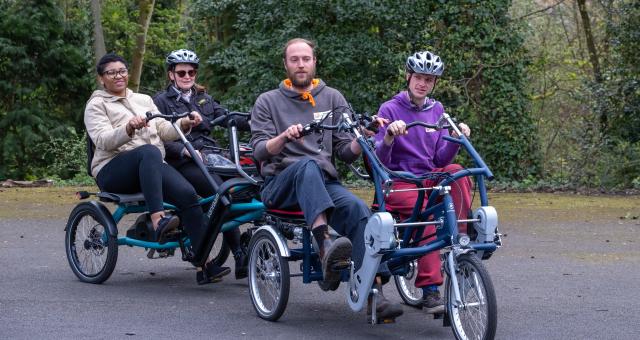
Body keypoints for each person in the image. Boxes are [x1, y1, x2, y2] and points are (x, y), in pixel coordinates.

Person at [250, 38, 403, 320]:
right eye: (294, 59)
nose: (300, 64)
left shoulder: (332, 97)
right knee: (307, 165)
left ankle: (375, 293)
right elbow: (259, 150)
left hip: (323, 184)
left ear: (314, 62)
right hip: (280, 185)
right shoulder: (267, 102)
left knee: (359, 211)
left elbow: (346, 153)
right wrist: (284, 137)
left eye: (305, 59)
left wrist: (363, 137)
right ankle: (325, 248)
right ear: (285, 64)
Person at [84, 53, 227, 285]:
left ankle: (205, 264)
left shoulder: (143, 99)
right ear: (102, 79)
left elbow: (163, 128)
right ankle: (158, 219)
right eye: (111, 72)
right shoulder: (96, 105)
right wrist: (128, 128)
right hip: (113, 170)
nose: (118, 75)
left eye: (122, 71)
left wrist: (184, 123)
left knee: (188, 195)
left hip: (150, 167)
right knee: (149, 152)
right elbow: (103, 140)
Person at [374, 51, 472, 314]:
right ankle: (430, 291)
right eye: (418, 77)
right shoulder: (389, 108)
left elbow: (439, 158)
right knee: (428, 215)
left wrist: (453, 138)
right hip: (398, 182)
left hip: (428, 178)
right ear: (408, 77)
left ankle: (460, 238)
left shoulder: (437, 110)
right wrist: (389, 138)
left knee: (457, 171)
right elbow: (380, 159)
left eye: (429, 80)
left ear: (434, 83)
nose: (423, 84)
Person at [153, 49, 250, 281]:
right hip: (181, 161)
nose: (187, 76)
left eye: (192, 72)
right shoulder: (160, 102)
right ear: (171, 75)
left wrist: (256, 120)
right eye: (182, 72)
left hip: (212, 156)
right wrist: (184, 150)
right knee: (221, 193)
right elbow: (156, 139)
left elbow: (227, 117)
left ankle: (243, 249)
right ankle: (238, 254)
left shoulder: (203, 98)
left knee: (243, 188)